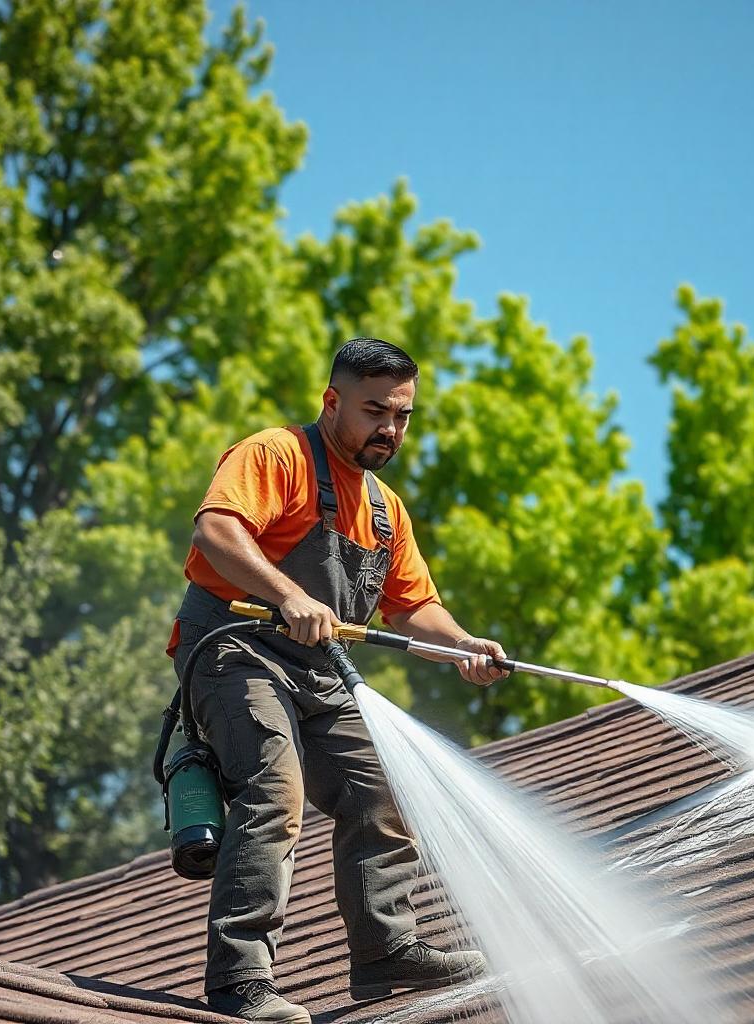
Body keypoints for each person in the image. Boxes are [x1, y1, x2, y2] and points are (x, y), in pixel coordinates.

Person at [168, 337, 508, 1023]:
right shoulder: (276, 455)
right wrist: (286, 594)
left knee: (384, 782)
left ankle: (386, 950)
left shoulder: (385, 512)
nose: (390, 428)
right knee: (273, 784)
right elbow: (215, 533)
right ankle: (240, 982)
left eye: (403, 415)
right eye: (374, 410)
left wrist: (464, 645)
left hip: (316, 676)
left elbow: (415, 609)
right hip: (234, 653)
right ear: (333, 402)